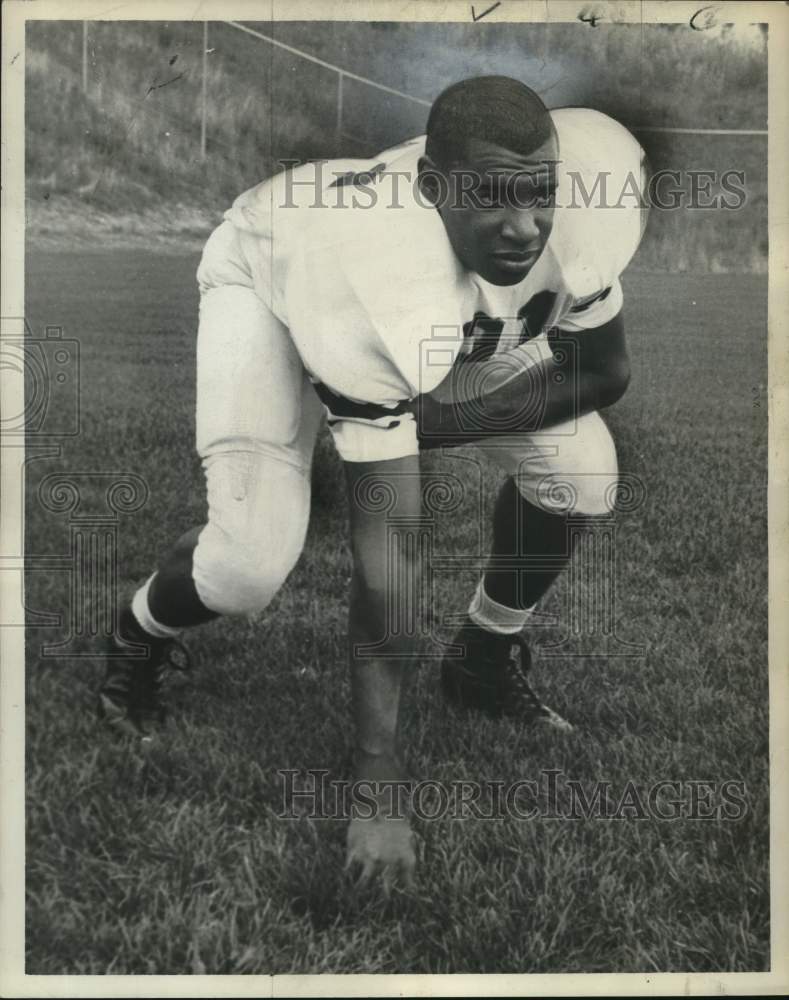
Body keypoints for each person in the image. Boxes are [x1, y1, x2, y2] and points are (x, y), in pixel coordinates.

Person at [98, 76, 647, 888]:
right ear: (432, 187)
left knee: (582, 471)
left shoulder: (599, 187)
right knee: (249, 563)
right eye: (490, 198)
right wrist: (378, 780)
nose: (524, 227)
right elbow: (389, 546)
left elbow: (601, 370)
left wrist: (431, 427)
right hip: (273, 277)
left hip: (429, 325)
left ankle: (482, 661)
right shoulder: (372, 274)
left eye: (537, 194)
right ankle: (138, 634)